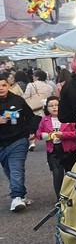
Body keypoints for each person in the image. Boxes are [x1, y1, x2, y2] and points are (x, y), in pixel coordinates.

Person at [35, 95, 76, 197]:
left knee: (71, 175)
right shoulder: (45, 120)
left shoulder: (69, 118)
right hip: (53, 151)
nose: (54, 107)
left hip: (69, 151)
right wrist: (47, 136)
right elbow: (38, 134)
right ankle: (60, 198)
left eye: (57, 105)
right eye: (51, 106)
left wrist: (63, 135)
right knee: (57, 176)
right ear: (46, 108)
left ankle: (74, 196)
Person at [0, 76, 31, 212]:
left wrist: (30, 131)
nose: (1, 88)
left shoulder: (17, 100)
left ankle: (17, 197)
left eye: (4, 85)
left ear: (9, 86)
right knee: (9, 170)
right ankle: (20, 194)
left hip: (18, 140)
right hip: (1, 143)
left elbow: (31, 116)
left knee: (16, 167)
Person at [24, 69, 55, 151]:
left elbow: (26, 96)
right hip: (46, 109)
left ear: (37, 77)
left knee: (34, 127)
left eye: (34, 76)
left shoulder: (31, 85)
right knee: (47, 126)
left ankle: (33, 143)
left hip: (35, 110)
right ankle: (50, 141)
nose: (33, 77)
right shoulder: (49, 87)